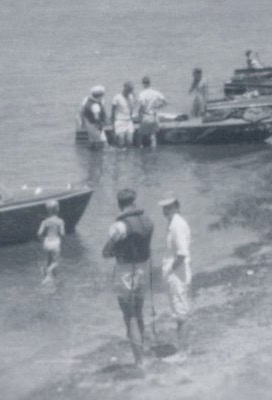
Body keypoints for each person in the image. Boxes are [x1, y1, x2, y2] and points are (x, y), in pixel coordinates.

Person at [102, 188, 155, 366]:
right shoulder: (147, 219)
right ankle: (142, 355)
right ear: (134, 201)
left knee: (129, 317)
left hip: (126, 272)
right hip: (144, 269)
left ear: (119, 204)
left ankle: (139, 361)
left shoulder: (120, 226)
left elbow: (107, 251)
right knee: (138, 313)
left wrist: (112, 250)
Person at [159, 197, 191, 353]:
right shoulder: (173, 223)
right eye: (164, 207)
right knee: (179, 312)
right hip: (176, 274)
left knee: (180, 314)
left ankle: (183, 352)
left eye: (169, 207)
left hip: (177, 275)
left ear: (177, 207)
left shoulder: (177, 225)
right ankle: (183, 349)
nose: (165, 211)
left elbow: (182, 254)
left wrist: (170, 270)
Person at [37, 200, 67, 283]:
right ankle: (49, 271)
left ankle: (48, 277)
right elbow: (62, 233)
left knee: (49, 260)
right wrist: (62, 241)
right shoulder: (60, 221)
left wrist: (42, 240)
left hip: (47, 242)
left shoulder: (45, 222)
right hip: (55, 242)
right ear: (57, 209)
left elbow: (39, 233)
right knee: (56, 261)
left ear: (48, 210)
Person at [137, 76, 167, 147]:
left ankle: (139, 151)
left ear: (143, 84)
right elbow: (165, 102)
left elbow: (143, 105)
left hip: (147, 116)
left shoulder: (142, 94)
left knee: (140, 135)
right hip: (155, 116)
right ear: (150, 83)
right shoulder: (156, 93)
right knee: (153, 135)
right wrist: (158, 107)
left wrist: (140, 113)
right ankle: (154, 153)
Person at [111, 81, 137, 147]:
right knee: (121, 142)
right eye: (129, 89)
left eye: (131, 90)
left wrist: (135, 97)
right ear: (125, 88)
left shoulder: (131, 97)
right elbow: (112, 112)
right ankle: (120, 156)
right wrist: (113, 124)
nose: (131, 91)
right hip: (119, 121)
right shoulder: (117, 97)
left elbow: (132, 109)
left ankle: (128, 156)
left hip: (129, 121)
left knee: (130, 141)